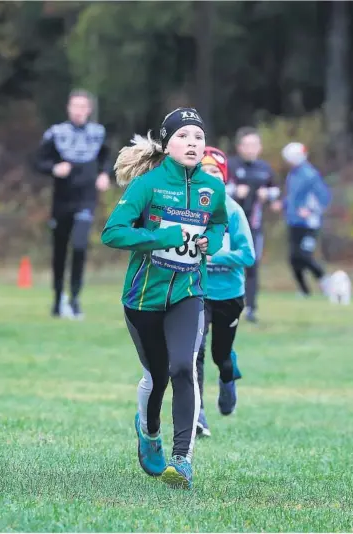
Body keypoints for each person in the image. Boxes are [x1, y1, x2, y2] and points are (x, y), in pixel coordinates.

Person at [101, 108, 228, 489]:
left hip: (190, 291)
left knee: (182, 367)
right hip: (143, 297)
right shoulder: (148, 185)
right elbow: (112, 233)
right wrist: (160, 238)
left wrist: (212, 242)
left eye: (198, 138)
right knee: (157, 377)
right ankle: (149, 430)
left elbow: (219, 222)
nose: (192, 143)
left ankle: (182, 459)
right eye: (184, 136)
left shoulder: (212, 188)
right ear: (167, 142)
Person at [195, 146, 255, 437]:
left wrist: (214, 256)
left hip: (229, 294)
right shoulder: (188, 209)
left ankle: (228, 376)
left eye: (215, 172)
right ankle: (198, 414)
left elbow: (248, 256)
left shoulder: (233, 211)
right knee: (195, 351)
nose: (209, 176)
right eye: (203, 171)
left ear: (224, 179)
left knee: (221, 354)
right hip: (197, 292)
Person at [35, 89, 111, 319]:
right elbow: (37, 161)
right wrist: (54, 168)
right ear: (68, 108)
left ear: (89, 110)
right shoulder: (56, 133)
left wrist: (105, 174)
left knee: (79, 246)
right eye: (74, 106)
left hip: (86, 200)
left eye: (83, 107)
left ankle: (75, 298)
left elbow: (107, 158)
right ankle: (58, 299)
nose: (78, 111)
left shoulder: (98, 133)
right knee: (59, 251)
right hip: (61, 201)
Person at [228, 127, 280, 323]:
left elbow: (275, 190)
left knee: (252, 264)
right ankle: (228, 305)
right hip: (230, 226)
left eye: (254, 145)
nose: (251, 149)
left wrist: (269, 196)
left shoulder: (264, 168)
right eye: (247, 145)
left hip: (254, 226)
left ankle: (250, 308)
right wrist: (233, 191)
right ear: (239, 147)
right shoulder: (231, 166)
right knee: (229, 263)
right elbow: (215, 187)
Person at [281, 142, 331, 298]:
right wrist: (282, 204)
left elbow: (324, 196)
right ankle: (304, 290)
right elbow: (293, 198)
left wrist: (310, 210)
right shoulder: (292, 174)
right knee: (294, 258)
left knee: (304, 255)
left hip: (309, 223)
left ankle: (324, 280)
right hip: (294, 222)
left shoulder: (310, 174)